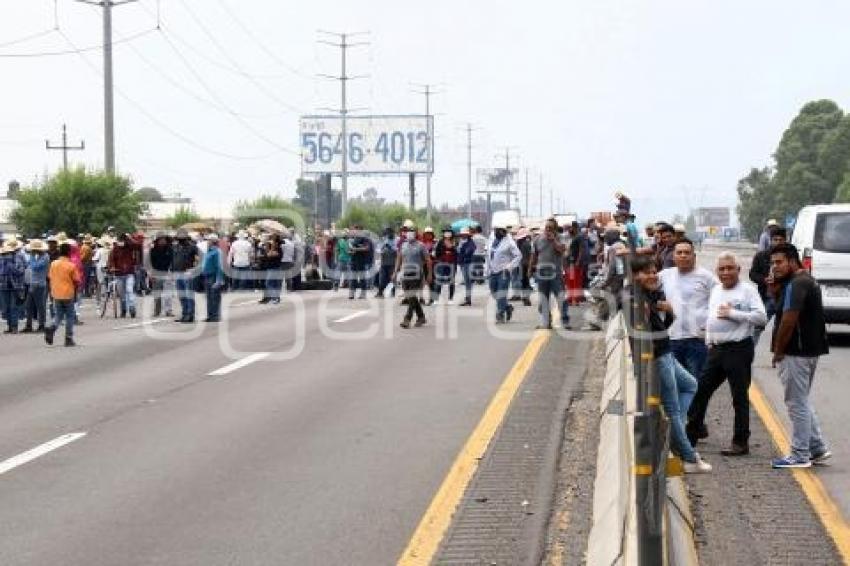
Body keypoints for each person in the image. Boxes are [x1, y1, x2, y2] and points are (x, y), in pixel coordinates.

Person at [630, 255, 711, 473]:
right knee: (673, 408)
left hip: (666, 351)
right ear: (634, 276)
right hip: (658, 356)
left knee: (690, 385)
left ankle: (675, 429)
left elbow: (664, 325)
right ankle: (689, 457)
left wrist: (669, 310)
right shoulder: (636, 301)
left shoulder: (651, 295)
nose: (652, 275)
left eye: (654, 270)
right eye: (646, 272)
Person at [686, 252, 766, 456]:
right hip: (716, 350)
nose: (726, 272)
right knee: (701, 391)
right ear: (717, 272)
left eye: (730, 268)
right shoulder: (716, 290)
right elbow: (713, 317)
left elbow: (761, 318)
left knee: (739, 397)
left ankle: (740, 442)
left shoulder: (747, 291)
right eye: (722, 269)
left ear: (739, 270)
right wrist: (709, 341)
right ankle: (690, 436)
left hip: (739, 349)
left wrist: (733, 314)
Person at [769, 243, 832, 469]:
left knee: (796, 403)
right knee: (801, 400)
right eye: (773, 263)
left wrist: (778, 350)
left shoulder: (797, 284)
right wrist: (775, 290)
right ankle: (817, 448)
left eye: (779, 262)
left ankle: (799, 454)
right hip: (807, 350)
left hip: (796, 351)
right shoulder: (800, 281)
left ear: (792, 261)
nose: (775, 267)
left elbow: (789, 319)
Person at [658, 239, 717, 385]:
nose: (683, 256)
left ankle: (694, 409)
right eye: (679, 253)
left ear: (694, 256)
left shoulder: (706, 277)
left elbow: (721, 299)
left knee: (695, 384)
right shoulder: (664, 275)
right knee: (673, 384)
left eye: (687, 253)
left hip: (696, 341)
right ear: (674, 256)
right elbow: (645, 288)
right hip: (671, 339)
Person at [528, 218, 567, 329]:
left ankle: (565, 320)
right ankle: (546, 322)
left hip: (556, 273)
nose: (548, 229)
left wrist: (553, 240)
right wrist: (530, 269)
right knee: (543, 298)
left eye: (551, 228)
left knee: (560, 297)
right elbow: (534, 255)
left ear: (555, 229)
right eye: (547, 227)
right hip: (541, 273)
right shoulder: (538, 239)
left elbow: (562, 250)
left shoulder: (561, 238)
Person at [749, 227, 786, 344]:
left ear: (785, 240)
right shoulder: (761, 256)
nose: (778, 242)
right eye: (775, 239)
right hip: (766, 298)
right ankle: (748, 356)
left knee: (782, 329)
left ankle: (780, 356)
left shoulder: (790, 257)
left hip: (783, 299)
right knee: (757, 327)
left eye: (781, 240)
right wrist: (764, 280)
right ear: (770, 240)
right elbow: (753, 274)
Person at [393, 225, 432, 328]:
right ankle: (421, 316)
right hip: (405, 274)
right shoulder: (404, 245)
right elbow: (399, 259)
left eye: (412, 232)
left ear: (416, 234)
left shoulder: (421, 245)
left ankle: (407, 319)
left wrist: (429, 274)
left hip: (417, 274)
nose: (409, 234)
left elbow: (428, 260)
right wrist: (395, 272)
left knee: (411, 295)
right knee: (411, 297)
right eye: (407, 232)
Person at [45, 243, 81, 347]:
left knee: (58, 315)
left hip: (56, 292)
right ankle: (68, 338)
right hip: (68, 293)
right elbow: (77, 280)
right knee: (70, 316)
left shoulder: (54, 264)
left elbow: (49, 277)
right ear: (69, 252)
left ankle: (52, 327)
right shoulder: (71, 265)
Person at [487, 223, 522, 324]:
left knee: (501, 293)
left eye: (502, 231)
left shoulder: (509, 242)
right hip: (492, 271)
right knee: (494, 293)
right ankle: (507, 307)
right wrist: (487, 269)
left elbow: (518, 255)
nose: (499, 232)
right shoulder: (491, 240)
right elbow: (488, 255)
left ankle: (500, 314)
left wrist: (509, 266)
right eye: (497, 230)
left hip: (503, 272)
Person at [107, 233, 141, 318]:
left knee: (129, 290)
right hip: (119, 274)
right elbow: (111, 260)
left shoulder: (130, 247)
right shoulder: (115, 249)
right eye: (120, 240)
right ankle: (123, 310)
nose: (121, 242)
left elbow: (139, 246)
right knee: (122, 294)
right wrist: (112, 267)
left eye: (123, 240)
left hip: (129, 273)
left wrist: (130, 238)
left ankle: (132, 308)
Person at [172, 229, 199, 323]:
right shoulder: (175, 247)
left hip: (187, 273)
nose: (181, 239)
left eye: (182, 238)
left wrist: (194, 269)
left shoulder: (193, 247)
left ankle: (190, 315)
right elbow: (173, 259)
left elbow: (201, 259)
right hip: (177, 273)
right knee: (181, 295)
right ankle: (184, 314)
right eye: (179, 238)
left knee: (188, 295)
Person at [23, 239, 50, 333]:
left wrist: (32, 257)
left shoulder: (45, 257)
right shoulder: (37, 256)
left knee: (40, 306)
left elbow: (35, 267)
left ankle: (42, 325)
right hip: (33, 283)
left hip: (39, 284)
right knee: (28, 306)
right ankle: (28, 325)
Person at [0, 237, 26, 333]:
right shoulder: (1, 259)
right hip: (3, 286)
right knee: (5, 308)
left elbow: (20, 271)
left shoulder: (18, 258)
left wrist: (10, 266)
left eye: (9, 253)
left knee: (13, 307)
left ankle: (14, 327)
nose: (7, 255)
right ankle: (10, 326)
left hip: (16, 286)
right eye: (5, 253)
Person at [149, 233, 174, 318]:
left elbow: (172, 262)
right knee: (157, 294)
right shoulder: (152, 250)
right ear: (157, 241)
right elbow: (150, 264)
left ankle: (168, 311)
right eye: (161, 239)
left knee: (168, 294)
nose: (163, 241)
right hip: (156, 274)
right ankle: (157, 311)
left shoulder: (170, 250)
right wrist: (151, 275)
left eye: (164, 239)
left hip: (167, 273)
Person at [200, 234, 225, 322]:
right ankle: (210, 315)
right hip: (207, 276)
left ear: (213, 241)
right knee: (209, 297)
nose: (207, 242)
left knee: (215, 297)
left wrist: (218, 280)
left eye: (209, 240)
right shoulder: (209, 251)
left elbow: (219, 267)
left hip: (213, 276)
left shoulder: (217, 252)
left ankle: (215, 316)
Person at [433, 227, 458, 304]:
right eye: (446, 232)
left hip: (452, 263)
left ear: (451, 233)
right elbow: (437, 253)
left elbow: (457, 253)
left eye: (449, 232)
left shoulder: (455, 242)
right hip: (441, 263)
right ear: (443, 233)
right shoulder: (440, 242)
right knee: (439, 280)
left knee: (451, 281)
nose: (447, 233)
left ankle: (450, 298)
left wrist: (452, 248)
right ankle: (436, 299)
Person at [457, 227, 477, 306]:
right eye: (462, 234)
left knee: (468, 281)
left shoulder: (470, 243)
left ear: (468, 235)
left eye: (465, 234)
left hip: (468, 263)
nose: (463, 235)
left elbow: (469, 252)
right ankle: (468, 298)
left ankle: (468, 298)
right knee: (467, 281)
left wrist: (462, 252)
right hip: (463, 263)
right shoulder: (460, 242)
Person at [376, 228, 398, 298]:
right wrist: (383, 248)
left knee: (392, 278)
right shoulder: (383, 240)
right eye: (388, 233)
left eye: (390, 233)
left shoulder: (396, 240)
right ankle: (380, 292)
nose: (389, 234)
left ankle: (393, 292)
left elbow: (397, 251)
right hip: (384, 263)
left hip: (392, 263)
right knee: (382, 278)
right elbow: (378, 250)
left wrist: (391, 248)